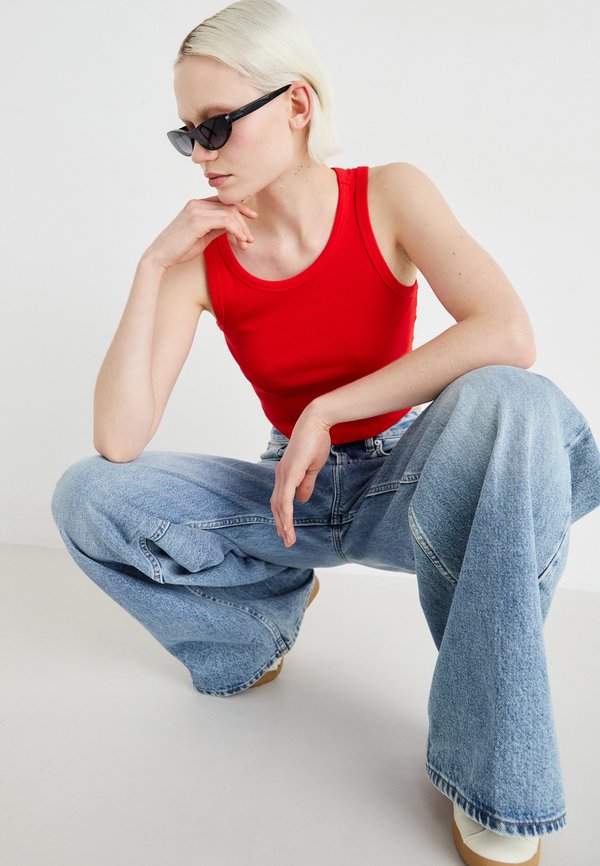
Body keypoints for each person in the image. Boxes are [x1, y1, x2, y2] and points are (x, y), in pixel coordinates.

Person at [50, 1, 600, 864]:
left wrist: (327, 408)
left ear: (297, 105)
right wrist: (152, 266)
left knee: (513, 399)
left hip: (411, 482)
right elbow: (118, 442)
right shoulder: (201, 260)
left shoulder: (388, 194)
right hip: (291, 499)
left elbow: (507, 331)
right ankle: (257, 622)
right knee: (86, 495)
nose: (201, 154)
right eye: (187, 134)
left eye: (217, 125)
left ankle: (492, 772)